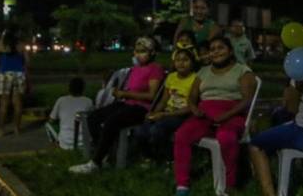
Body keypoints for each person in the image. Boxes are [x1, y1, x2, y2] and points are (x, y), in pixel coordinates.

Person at [171, 36, 256, 196]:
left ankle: (230, 184)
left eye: (220, 48)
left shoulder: (242, 71)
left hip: (232, 112)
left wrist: (227, 115)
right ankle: (182, 184)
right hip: (205, 113)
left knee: (226, 137)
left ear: (230, 51)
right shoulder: (203, 72)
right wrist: (194, 108)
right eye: (212, 49)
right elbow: (192, 96)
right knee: (182, 135)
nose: (216, 52)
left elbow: (246, 100)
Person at [70, 37, 164, 174]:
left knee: (111, 122)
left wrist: (125, 94)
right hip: (127, 103)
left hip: (142, 108)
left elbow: (151, 96)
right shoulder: (135, 69)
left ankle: (95, 163)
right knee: (94, 117)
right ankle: (104, 155)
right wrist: (120, 93)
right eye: (137, 51)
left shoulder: (155, 69)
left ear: (152, 52)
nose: (138, 54)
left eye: (143, 51)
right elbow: (131, 91)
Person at [131, 49, 197, 159]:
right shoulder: (171, 77)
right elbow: (163, 100)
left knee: (157, 129)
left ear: (192, 62)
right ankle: (148, 157)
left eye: (185, 60)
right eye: (178, 60)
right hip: (167, 112)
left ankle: (166, 158)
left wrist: (163, 115)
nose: (181, 63)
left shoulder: (195, 78)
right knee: (140, 129)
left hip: (182, 115)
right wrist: (154, 112)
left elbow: (191, 107)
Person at [0, 27, 32, 137]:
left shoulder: (1, 43)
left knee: (4, 103)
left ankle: (1, 130)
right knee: (18, 102)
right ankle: (17, 129)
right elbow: (28, 62)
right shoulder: (21, 44)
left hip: (4, 73)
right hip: (19, 74)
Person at [46, 77, 94, 150]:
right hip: (84, 142)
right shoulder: (88, 101)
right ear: (83, 89)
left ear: (69, 88)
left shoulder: (61, 100)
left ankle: (55, 145)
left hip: (65, 142)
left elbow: (51, 120)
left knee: (48, 125)